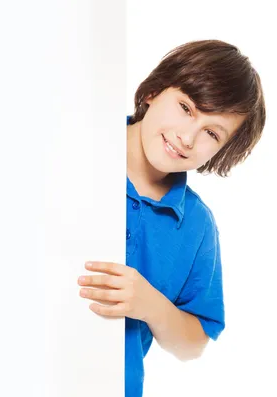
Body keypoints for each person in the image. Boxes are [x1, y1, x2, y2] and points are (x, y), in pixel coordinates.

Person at [77, 40, 266, 397]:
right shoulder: (73, 148)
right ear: (152, 91)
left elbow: (192, 345)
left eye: (212, 133)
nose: (187, 137)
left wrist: (149, 304)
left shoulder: (196, 225)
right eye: (186, 108)